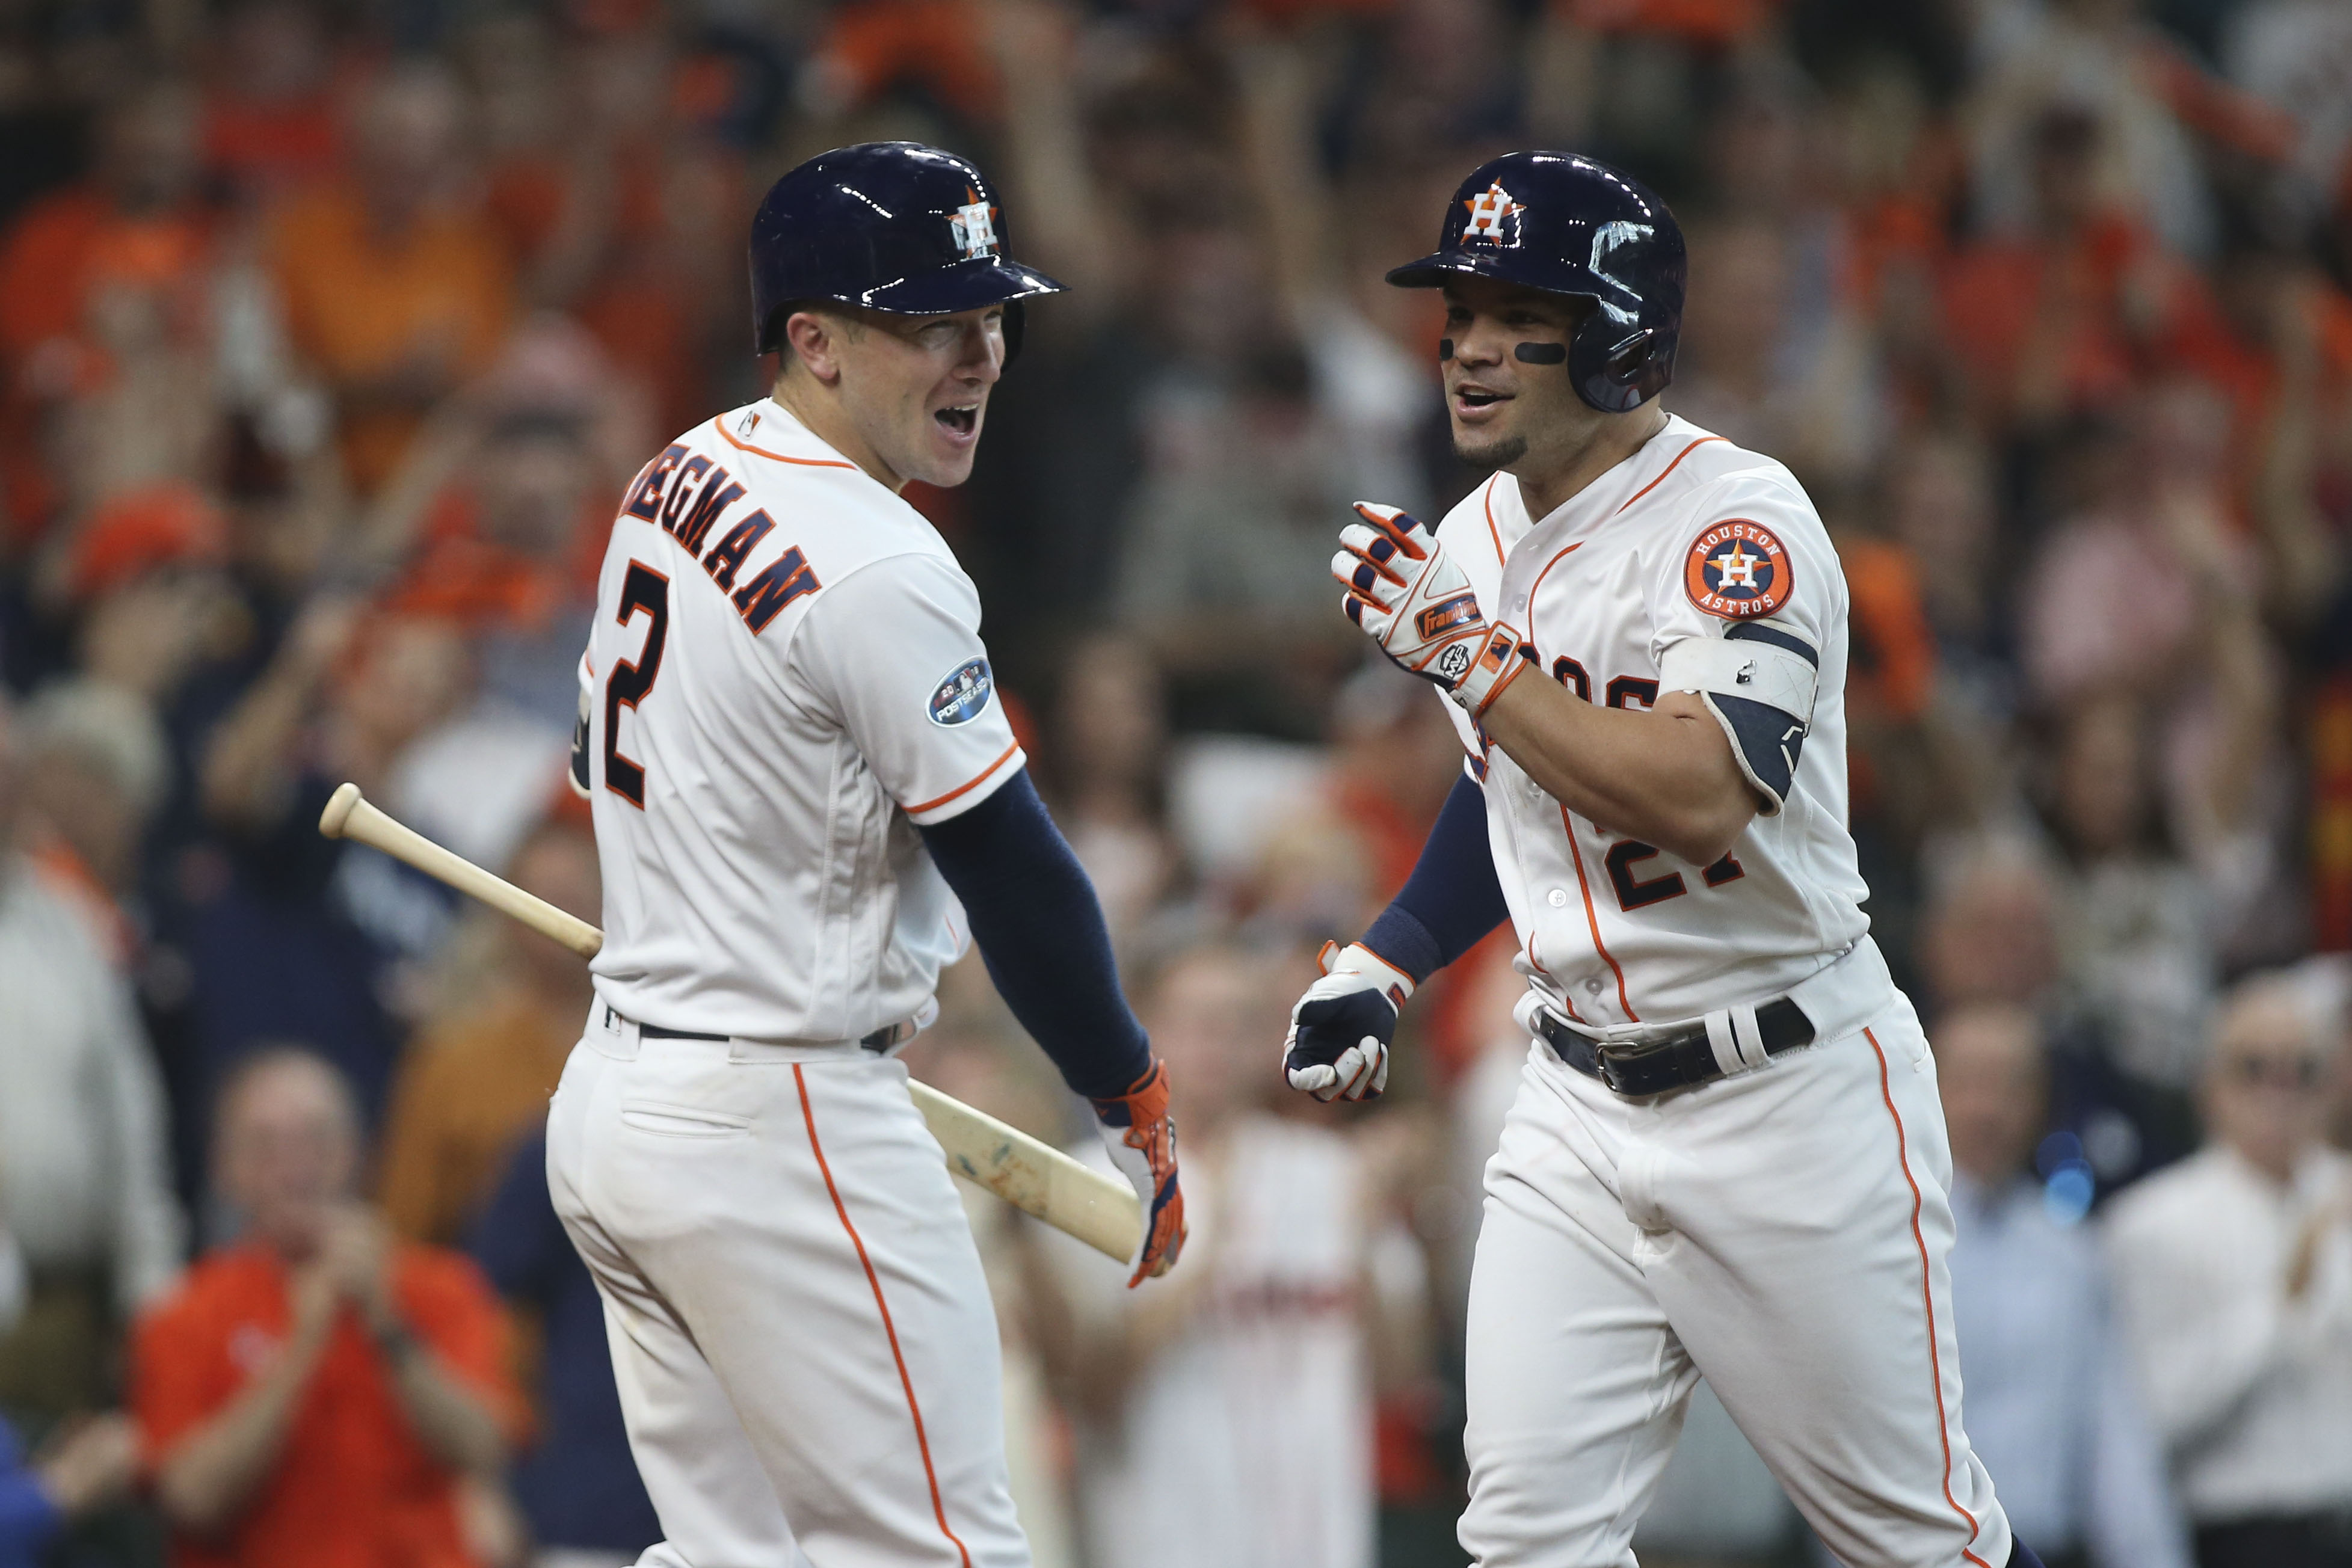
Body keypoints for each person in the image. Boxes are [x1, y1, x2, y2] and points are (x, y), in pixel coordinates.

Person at [1287, 151, 2046, 1568]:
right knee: (1524, 1539)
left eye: (1516, 311)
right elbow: (1502, 785)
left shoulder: (1735, 524)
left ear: (1616, 329)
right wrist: (1383, 959)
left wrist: (1460, 650)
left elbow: (1701, 797)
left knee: (1914, 1541)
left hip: (1785, 1093)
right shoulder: (1474, 533)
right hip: (1572, 1095)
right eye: (1456, 309)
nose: (1464, 345)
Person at [547, 141, 1186, 1568]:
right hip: (778, 1117)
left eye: (990, 314)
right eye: (930, 323)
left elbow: (593, 762)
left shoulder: (674, 471)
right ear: (814, 342)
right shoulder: (879, 560)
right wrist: (1125, 1088)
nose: (981, 353)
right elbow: (1014, 871)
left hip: (619, 1109)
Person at [133, 1048, 524, 1568]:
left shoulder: (441, 1287)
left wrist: (387, 1324)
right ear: (227, 1168)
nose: (296, 1165)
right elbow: (191, 1499)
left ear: (357, 1151)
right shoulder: (185, 1311)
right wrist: (302, 1343)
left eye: (316, 1138)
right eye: (266, 1145)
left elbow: (483, 1449)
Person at [2102, 971, 2352, 1568]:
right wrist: (2284, 1302)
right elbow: (2154, 1416)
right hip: (2243, 1535)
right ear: (2208, 1083)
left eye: (2304, 1070)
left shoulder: (2343, 1192)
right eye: (2254, 1067)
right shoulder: (2151, 1223)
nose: (2280, 1088)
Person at [1934, 1003, 2194, 1568]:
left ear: (2040, 1104)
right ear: (1927, 1090)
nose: (1987, 1109)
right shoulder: (1887, 1242)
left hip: (2045, 1549)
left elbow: (2113, 1434)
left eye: (2010, 1086)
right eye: (1969, 1083)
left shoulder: (2071, 1252)